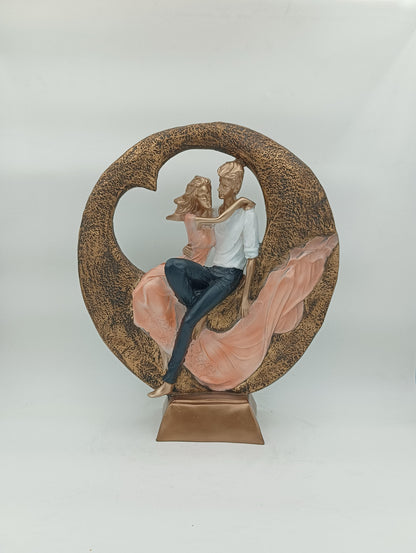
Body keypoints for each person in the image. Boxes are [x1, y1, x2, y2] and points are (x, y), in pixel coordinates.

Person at [148, 159, 259, 397]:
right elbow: (208, 240)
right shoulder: (218, 211)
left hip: (229, 277)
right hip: (212, 271)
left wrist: (245, 297)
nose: (219, 188)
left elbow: (251, 258)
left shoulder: (246, 213)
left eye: (225, 184)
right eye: (220, 182)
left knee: (188, 320)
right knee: (173, 266)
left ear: (236, 186)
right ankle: (199, 308)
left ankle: (169, 380)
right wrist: (190, 249)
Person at [132, 176, 215, 368]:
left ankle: (174, 355)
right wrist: (237, 208)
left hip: (198, 270)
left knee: (177, 312)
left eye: (208, 194)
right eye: (201, 195)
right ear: (194, 197)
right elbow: (218, 221)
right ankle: (168, 354)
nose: (206, 198)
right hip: (185, 268)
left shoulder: (211, 218)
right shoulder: (191, 218)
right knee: (154, 292)